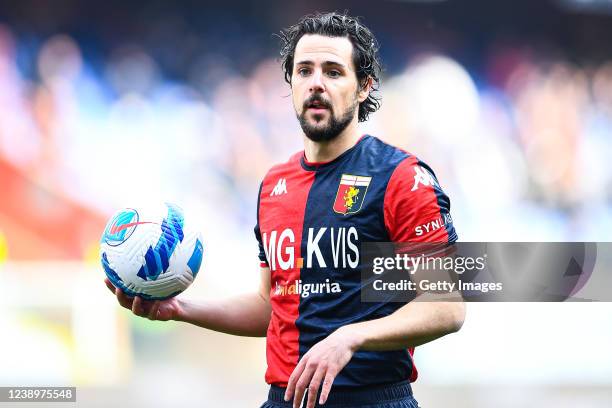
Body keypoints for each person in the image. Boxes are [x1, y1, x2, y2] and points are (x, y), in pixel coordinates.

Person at [105, 12, 465, 408]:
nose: (316, 83)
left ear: (364, 87)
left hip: (372, 399)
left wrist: (352, 336)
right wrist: (179, 309)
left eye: (333, 71)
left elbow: (445, 307)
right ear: (290, 83)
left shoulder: (400, 178)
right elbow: (270, 306)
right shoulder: (274, 186)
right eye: (304, 70)